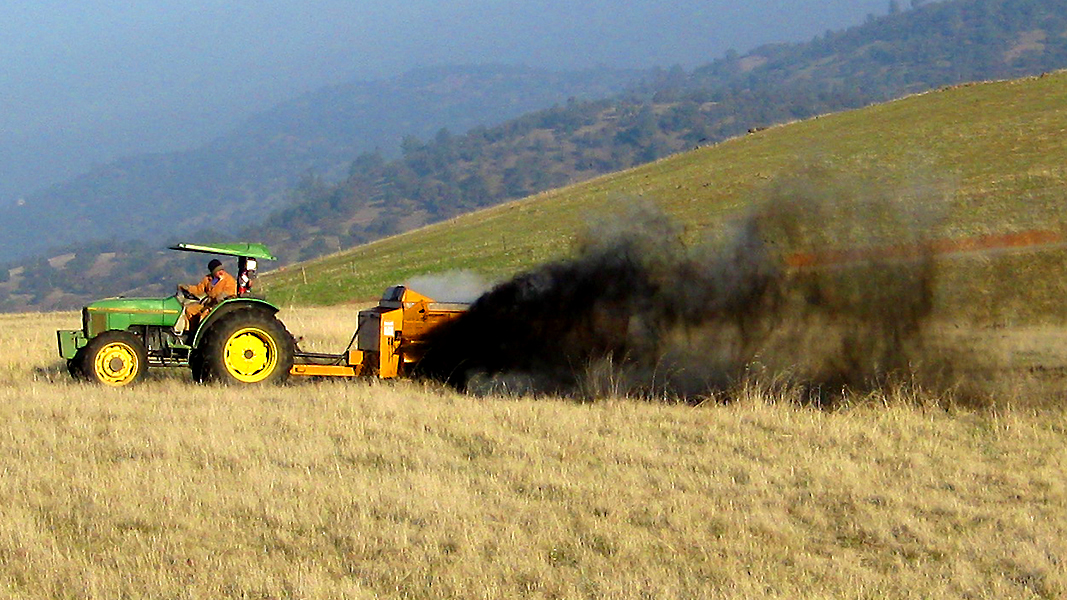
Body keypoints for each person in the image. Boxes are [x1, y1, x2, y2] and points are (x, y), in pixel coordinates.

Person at [174, 259, 238, 336]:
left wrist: (222, 296)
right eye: (218, 271)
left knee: (204, 315)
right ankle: (190, 332)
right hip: (208, 304)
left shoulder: (229, 280)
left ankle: (202, 335)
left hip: (219, 306)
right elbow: (199, 289)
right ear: (213, 272)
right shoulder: (208, 279)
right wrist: (187, 288)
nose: (221, 272)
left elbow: (231, 293)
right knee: (190, 310)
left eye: (221, 269)